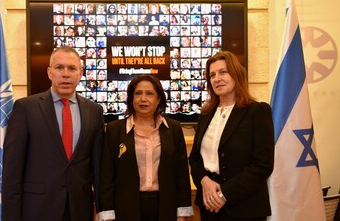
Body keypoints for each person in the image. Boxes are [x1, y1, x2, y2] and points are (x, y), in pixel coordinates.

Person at [2, 46, 105, 221]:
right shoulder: (26, 108)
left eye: (72, 68)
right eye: (59, 68)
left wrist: (103, 211)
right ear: (50, 73)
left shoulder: (94, 111)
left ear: (81, 73)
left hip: (79, 210)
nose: (66, 74)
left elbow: (98, 168)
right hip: (37, 210)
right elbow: (12, 170)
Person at [188, 51, 274, 221]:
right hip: (209, 205)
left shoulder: (257, 111)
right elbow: (195, 158)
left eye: (223, 72)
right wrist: (205, 181)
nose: (217, 79)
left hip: (245, 208)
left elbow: (262, 165)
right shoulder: (205, 115)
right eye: (212, 75)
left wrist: (224, 194)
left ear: (236, 74)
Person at [99, 74, 194, 221]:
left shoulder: (174, 129)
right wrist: (107, 213)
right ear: (131, 99)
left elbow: (181, 173)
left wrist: (182, 212)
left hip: (165, 207)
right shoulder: (114, 130)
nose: (143, 99)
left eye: (149, 93)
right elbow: (107, 176)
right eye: (138, 93)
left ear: (159, 99)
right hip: (125, 207)